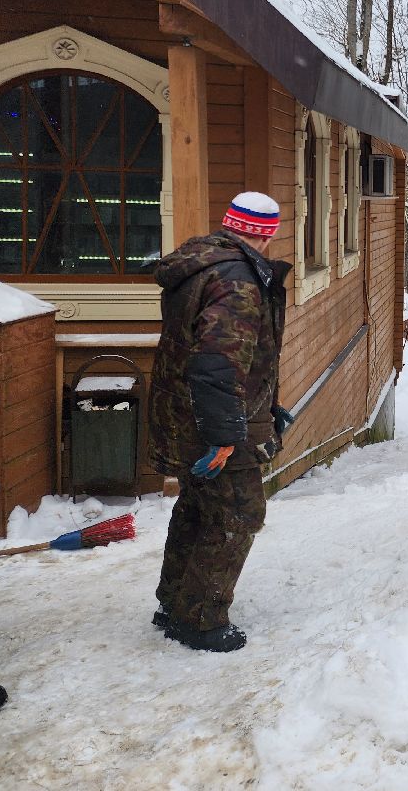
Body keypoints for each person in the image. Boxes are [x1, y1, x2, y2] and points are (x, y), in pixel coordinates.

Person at [150, 192, 293, 652]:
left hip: (186, 416)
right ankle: (200, 619)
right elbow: (215, 364)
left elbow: (227, 358)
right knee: (239, 513)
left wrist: (267, 408)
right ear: (265, 233)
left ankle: (174, 602)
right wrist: (225, 439)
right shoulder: (238, 281)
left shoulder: (203, 262)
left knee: (197, 508)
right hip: (211, 424)